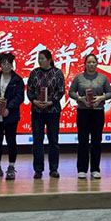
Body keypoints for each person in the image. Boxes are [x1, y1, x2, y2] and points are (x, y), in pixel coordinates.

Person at [69, 54, 111, 179]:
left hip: (98, 112)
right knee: (83, 141)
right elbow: (71, 92)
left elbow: (110, 93)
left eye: (94, 62)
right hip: (83, 112)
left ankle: (95, 169)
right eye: (89, 62)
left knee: (96, 141)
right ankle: (82, 169)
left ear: (97, 64)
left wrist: (101, 98)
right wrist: (80, 98)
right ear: (85, 64)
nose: (91, 64)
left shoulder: (103, 77)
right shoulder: (79, 77)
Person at [0, 52, 25, 180]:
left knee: (11, 141)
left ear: (12, 65)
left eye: (8, 64)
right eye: (3, 64)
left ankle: (11, 167)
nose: (6, 66)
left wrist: (9, 108)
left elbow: (19, 97)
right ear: (0, 65)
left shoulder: (17, 79)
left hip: (10, 116)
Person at [26, 49, 66, 179]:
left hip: (52, 111)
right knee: (37, 140)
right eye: (39, 58)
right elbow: (29, 90)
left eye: (42, 58)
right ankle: (38, 169)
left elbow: (61, 91)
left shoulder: (57, 73)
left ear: (49, 60)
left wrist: (51, 102)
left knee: (53, 140)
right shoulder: (34, 73)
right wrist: (34, 101)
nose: (40, 61)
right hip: (37, 111)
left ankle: (53, 168)